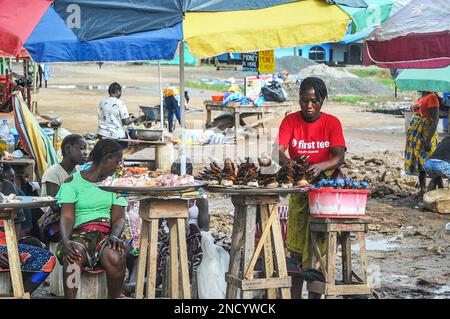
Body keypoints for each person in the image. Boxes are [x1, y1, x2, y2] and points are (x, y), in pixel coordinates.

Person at [272, 77, 346, 299]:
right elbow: (277, 151)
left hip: (325, 193)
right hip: (299, 191)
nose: (309, 106)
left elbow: (339, 156)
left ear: (322, 100)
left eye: (314, 101)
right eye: (304, 101)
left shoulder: (332, 123)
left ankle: (314, 296)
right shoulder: (291, 121)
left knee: (318, 249)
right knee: (295, 251)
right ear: (299, 100)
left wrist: (320, 166)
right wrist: (294, 165)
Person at [56, 139, 128, 299]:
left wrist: (115, 235)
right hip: (78, 236)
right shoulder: (72, 183)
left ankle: (115, 296)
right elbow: (67, 217)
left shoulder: (114, 184)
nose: (118, 167)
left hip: (105, 236)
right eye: (117, 162)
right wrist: (66, 241)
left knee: (116, 256)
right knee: (72, 257)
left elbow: (118, 218)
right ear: (105, 159)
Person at [0, 162, 56, 294]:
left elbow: (17, 220)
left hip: (6, 243)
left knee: (47, 259)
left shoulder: (8, 186)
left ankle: (21, 293)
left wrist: (12, 247)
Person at [38, 134, 88, 243]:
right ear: (68, 149)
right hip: (56, 221)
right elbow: (55, 205)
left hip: (74, 215)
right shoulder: (53, 173)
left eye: (86, 149)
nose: (85, 152)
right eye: (81, 148)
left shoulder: (79, 170)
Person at [405, 91, 440, 196]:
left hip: (426, 134)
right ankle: (422, 189)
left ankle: (439, 189)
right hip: (418, 135)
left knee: (432, 163)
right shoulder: (422, 97)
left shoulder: (432, 97)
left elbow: (435, 119)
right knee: (420, 163)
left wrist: (428, 140)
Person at [97, 82, 138, 147]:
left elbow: (109, 115)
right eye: (120, 92)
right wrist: (135, 119)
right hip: (116, 137)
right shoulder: (120, 103)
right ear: (117, 92)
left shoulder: (102, 102)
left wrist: (127, 115)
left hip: (101, 135)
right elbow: (126, 122)